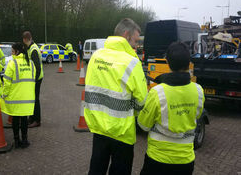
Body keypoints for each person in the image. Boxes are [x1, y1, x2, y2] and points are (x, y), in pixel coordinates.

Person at [84, 18, 148, 175]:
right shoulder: (132, 62)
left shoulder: (96, 56)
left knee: (96, 169)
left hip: (98, 128)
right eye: (135, 40)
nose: (136, 45)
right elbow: (142, 101)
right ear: (126, 35)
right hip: (122, 132)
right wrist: (135, 112)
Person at [137, 42, 205, 175]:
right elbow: (196, 116)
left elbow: (143, 125)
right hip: (185, 160)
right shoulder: (198, 91)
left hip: (157, 159)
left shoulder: (157, 92)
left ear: (167, 62)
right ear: (188, 62)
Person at [0, 43, 36, 148]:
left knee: (15, 119)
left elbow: (7, 82)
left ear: (17, 52)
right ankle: (25, 140)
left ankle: (16, 141)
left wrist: (4, 95)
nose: (11, 54)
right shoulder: (31, 63)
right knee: (24, 119)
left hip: (15, 98)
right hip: (27, 98)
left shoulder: (12, 64)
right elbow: (33, 78)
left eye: (12, 51)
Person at [22, 31, 44, 128]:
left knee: (35, 99)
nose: (24, 42)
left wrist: (34, 80)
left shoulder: (33, 49)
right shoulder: (31, 47)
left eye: (24, 40)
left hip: (37, 78)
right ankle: (32, 118)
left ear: (27, 39)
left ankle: (37, 120)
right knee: (32, 98)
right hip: (35, 78)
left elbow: (37, 68)